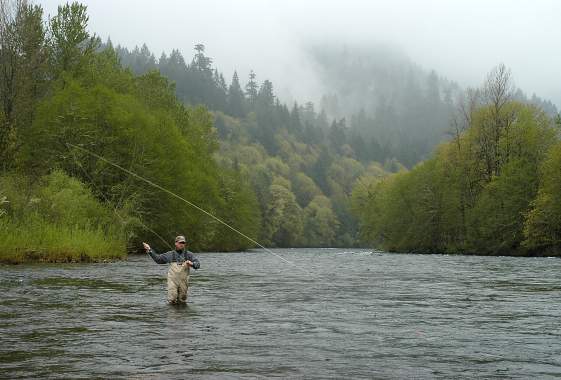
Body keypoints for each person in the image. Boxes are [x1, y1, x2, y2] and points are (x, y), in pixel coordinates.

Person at [143, 235, 200, 304]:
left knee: (182, 299)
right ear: (176, 243)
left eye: (183, 243)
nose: (182, 244)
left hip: (184, 281)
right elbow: (158, 260)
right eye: (180, 243)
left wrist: (192, 264)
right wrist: (149, 250)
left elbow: (198, 264)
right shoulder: (169, 254)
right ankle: (172, 314)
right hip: (172, 281)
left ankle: (183, 314)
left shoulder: (189, 255)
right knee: (172, 299)